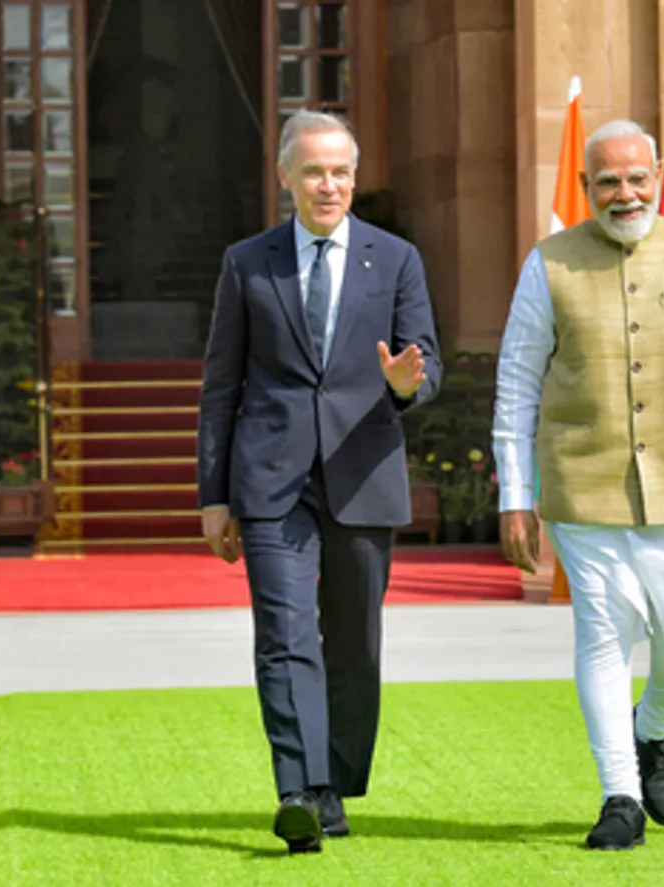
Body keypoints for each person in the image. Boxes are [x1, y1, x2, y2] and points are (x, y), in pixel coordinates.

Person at [492, 119, 664, 851]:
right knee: (603, 633)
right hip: (584, 484)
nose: (625, 193)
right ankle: (619, 796)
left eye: (637, 177)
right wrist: (514, 495)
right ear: (585, 186)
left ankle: (654, 729)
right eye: (609, 181)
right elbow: (517, 381)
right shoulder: (549, 263)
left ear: (658, 176)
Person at [198, 110, 442, 854]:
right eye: (312, 171)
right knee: (284, 635)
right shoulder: (247, 263)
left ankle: (333, 783)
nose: (327, 184)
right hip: (271, 481)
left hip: (363, 475)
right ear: (286, 178)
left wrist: (407, 384)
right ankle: (298, 790)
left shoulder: (395, 259)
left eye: (339, 171)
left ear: (354, 178)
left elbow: (426, 362)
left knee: (354, 642)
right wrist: (214, 495)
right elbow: (221, 383)